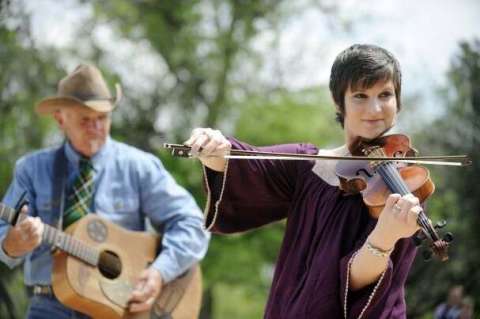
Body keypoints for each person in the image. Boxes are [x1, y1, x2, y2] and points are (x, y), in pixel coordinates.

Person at [185, 44, 423, 318]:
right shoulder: (307, 165)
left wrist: (386, 236)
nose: (375, 108)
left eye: (385, 94)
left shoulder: (405, 184)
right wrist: (214, 148)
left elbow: (357, 286)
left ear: (398, 101)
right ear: (338, 102)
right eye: (360, 95)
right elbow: (246, 163)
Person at [0, 64, 210, 318]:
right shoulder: (31, 169)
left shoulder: (139, 167)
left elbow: (193, 223)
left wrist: (160, 272)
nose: (96, 127)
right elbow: (4, 238)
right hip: (49, 307)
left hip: (123, 307)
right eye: (85, 120)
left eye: (103, 118)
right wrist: (13, 243)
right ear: (60, 119)